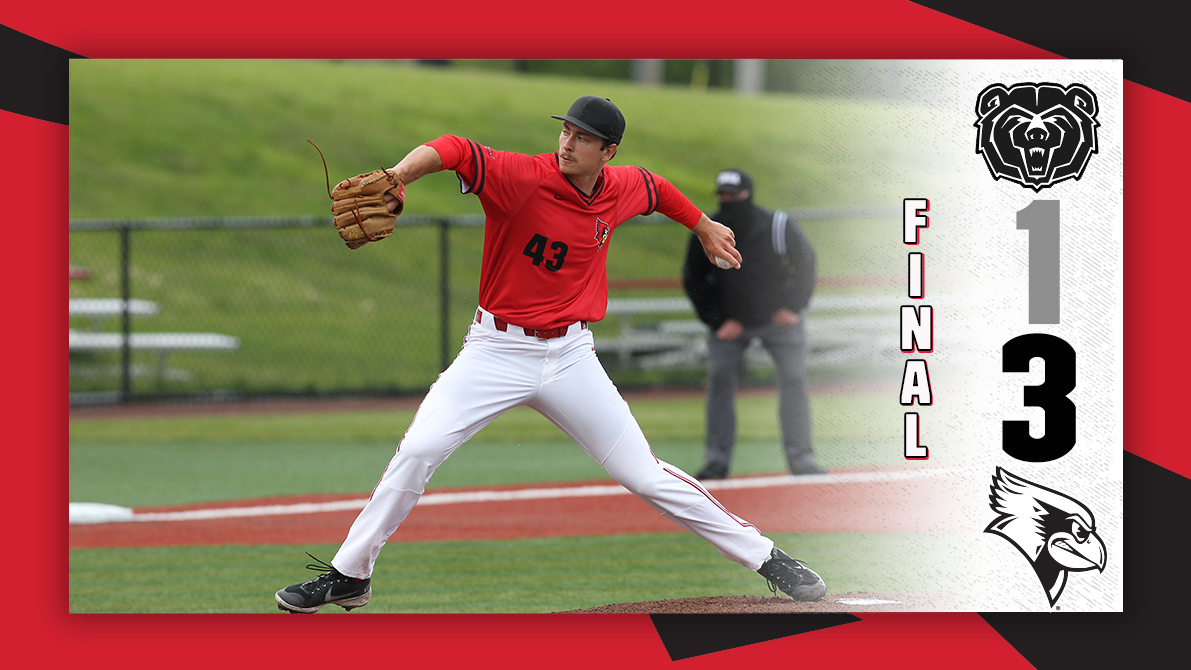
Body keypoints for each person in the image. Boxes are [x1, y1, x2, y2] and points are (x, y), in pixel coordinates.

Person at [274, 96, 826, 613]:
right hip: (494, 349)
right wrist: (397, 176)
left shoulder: (621, 186)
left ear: (607, 153)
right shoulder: (523, 177)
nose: (567, 143)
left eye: (582, 138)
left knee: (645, 475)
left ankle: (768, 557)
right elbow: (454, 148)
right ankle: (351, 574)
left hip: (570, 357)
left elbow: (657, 189)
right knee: (418, 448)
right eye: (565, 131)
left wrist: (703, 225)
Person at [683, 169, 826, 480]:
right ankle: (717, 461)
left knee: (794, 377)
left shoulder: (777, 225)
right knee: (719, 379)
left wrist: (793, 307)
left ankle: (801, 459)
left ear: (748, 194)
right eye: (723, 196)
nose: (729, 202)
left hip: (778, 319)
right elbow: (693, 278)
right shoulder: (709, 229)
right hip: (730, 323)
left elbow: (806, 262)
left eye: (734, 196)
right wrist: (717, 321)